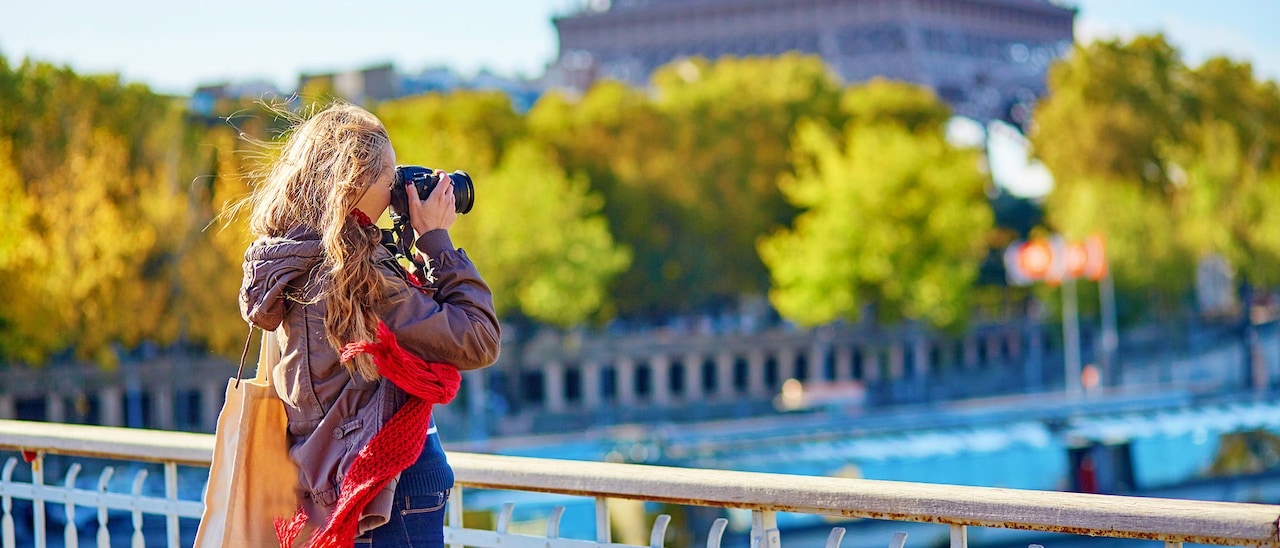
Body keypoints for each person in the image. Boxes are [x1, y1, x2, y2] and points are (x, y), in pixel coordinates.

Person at [238, 101, 501, 547]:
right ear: (354, 183)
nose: (397, 189)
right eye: (389, 177)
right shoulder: (358, 276)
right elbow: (478, 338)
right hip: (389, 493)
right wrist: (437, 241)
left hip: (334, 487)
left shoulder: (291, 261)